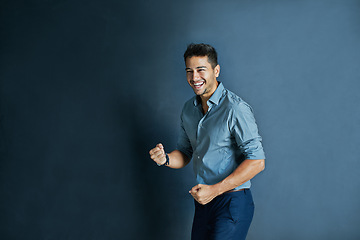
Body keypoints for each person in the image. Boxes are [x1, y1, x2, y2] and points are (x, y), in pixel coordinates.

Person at [149, 43, 265, 240]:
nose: (195, 78)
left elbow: (257, 161)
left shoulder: (235, 109)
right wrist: (165, 159)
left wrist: (215, 190)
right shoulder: (188, 109)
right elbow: (185, 152)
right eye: (189, 71)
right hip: (204, 202)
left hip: (233, 201)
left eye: (201, 70)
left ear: (216, 70)